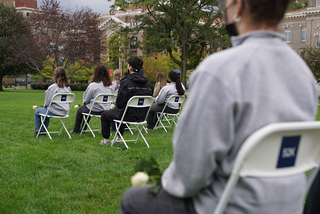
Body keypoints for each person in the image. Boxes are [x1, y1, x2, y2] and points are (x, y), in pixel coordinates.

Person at [119, 0, 318, 213]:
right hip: (286, 206)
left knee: (134, 199)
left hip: (229, 205)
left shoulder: (220, 69)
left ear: (239, 6)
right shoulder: (303, 74)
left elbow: (189, 175)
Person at [100, 57, 153, 145]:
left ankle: (106, 140)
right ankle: (118, 138)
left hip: (127, 115)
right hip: (142, 115)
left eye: (128, 65)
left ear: (130, 68)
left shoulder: (126, 82)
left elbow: (120, 103)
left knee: (106, 115)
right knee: (121, 111)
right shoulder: (148, 84)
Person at [70, 65, 116, 134]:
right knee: (87, 108)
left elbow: (86, 100)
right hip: (106, 109)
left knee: (81, 109)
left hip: (94, 109)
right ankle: (83, 129)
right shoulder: (111, 86)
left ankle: (76, 129)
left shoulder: (93, 85)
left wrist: (87, 103)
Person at [34, 67, 72, 136]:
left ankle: (38, 131)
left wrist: (45, 106)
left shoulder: (53, 87)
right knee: (46, 111)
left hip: (54, 111)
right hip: (64, 111)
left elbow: (48, 102)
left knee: (37, 111)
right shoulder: (68, 88)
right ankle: (43, 131)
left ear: (55, 75)